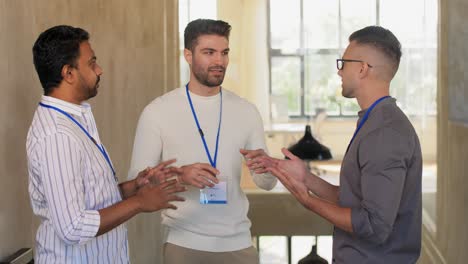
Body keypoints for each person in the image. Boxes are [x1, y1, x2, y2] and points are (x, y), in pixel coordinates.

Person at [248, 26, 422, 264]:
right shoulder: (374, 121)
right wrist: (306, 178)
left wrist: (308, 200)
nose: (339, 72)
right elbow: (354, 200)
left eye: (343, 63)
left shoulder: (384, 132)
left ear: (362, 69)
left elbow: (374, 225)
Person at [27, 25, 186, 263]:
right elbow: (73, 227)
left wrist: (134, 187)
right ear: (68, 73)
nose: (99, 70)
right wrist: (140, 202)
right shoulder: (57, 135)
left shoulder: (72, 120)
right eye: (91, 63)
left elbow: (88, 201)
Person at [128, 19, 277, 264]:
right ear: (188, 55)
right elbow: (137, 182)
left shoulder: (246, 111)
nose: (219, 61)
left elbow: (266, 184)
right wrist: (179, 177)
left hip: (239, 244)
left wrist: (266, 168)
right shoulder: (157, 112)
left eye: (224, 53)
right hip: (183, 244)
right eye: (209, 52)